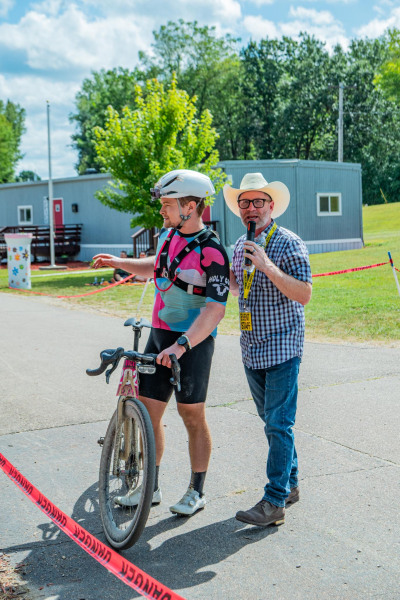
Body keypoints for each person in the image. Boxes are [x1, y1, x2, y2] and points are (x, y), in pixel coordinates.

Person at [92, 169, 230, 516]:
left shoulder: (213, 251)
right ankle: (149, 487)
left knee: (191, 415)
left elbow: (215, 309)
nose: (161, 210)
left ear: (190, 206)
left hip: (192, 342)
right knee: (148, 413)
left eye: (168, 204)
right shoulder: (168, 236)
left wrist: (182, 345)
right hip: (159, 335)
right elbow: (157, 266)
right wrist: (121, 263)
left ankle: (196, 491)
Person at [224, 172, 312, 528]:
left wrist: (266, 265)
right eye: (244, 202)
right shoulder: (237, 246)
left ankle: (274, 501)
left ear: (271, 206)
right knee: (272, 422)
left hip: (283, 346)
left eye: (258, 201)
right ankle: (290, 484)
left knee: (278, 423)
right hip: (252, 348)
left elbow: (304, 294)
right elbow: (237, 288)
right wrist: (222, 276)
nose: (251, 208)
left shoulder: (289, 243)